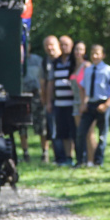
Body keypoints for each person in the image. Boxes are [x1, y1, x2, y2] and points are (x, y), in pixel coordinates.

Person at [75, 45, 110, 167]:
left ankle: (98, 161)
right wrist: (83, 103)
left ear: (103, 55)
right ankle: (80, 160)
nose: (95, 56)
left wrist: (107, 104)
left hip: (103, 103)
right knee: (81, 132)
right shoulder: (88, 69)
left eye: (97, 53)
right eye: (92, 53)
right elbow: (82, 87)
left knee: (102, 134)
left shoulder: (108, 70)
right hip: (90, 104)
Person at [49, 35, 76, 166]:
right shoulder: (55, 62)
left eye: (67, 44)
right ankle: (67, 158)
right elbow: (50, 83)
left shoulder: (75, 61)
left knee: (73, 132)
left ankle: (77, 157)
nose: (64, 47)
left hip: (73, 103)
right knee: (63, 132)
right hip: (59, 103)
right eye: (62, 45)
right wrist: (49, 101)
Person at [40, 35, 61, 163]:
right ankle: (58, 157)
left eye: (52, 44)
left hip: (67, 100)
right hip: (52, 101)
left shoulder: (66, 59)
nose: (49, 48)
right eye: (47, 45)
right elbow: (43, 83)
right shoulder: (45, 62)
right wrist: (46, 101)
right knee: (53, 130)